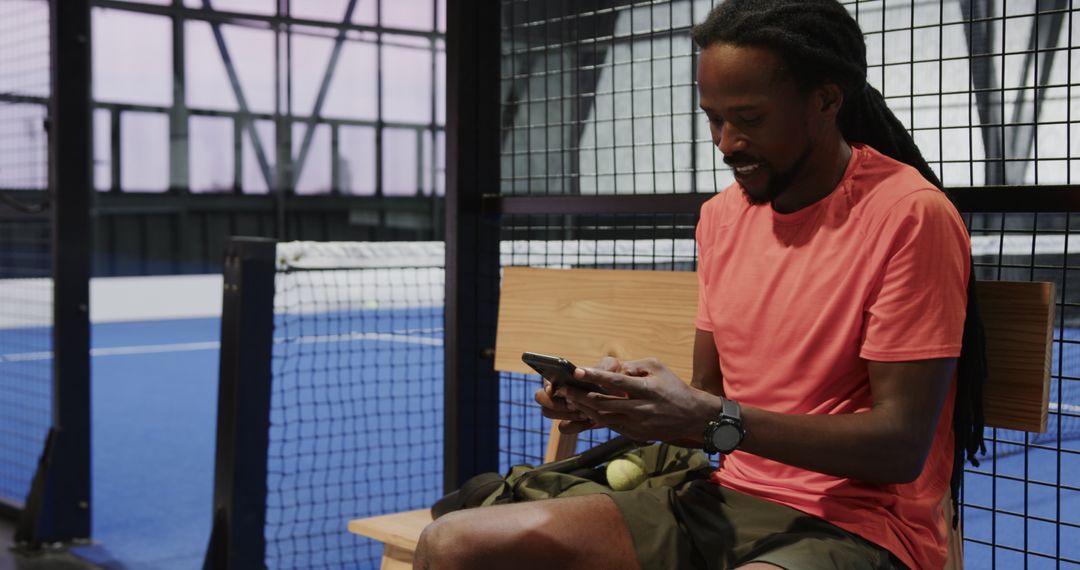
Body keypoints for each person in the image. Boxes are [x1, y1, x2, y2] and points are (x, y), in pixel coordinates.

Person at [415, 0, 986, 568]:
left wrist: (713, 419)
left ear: (826, 100)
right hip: (720, 500)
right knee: (452, 546)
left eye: (750, 118)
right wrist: (622, 405)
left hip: (858, 527)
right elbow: (708, 398)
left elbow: (900, 447)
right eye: (713, 117)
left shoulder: (910, 215)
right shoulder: (720, 217)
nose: (726, 142)